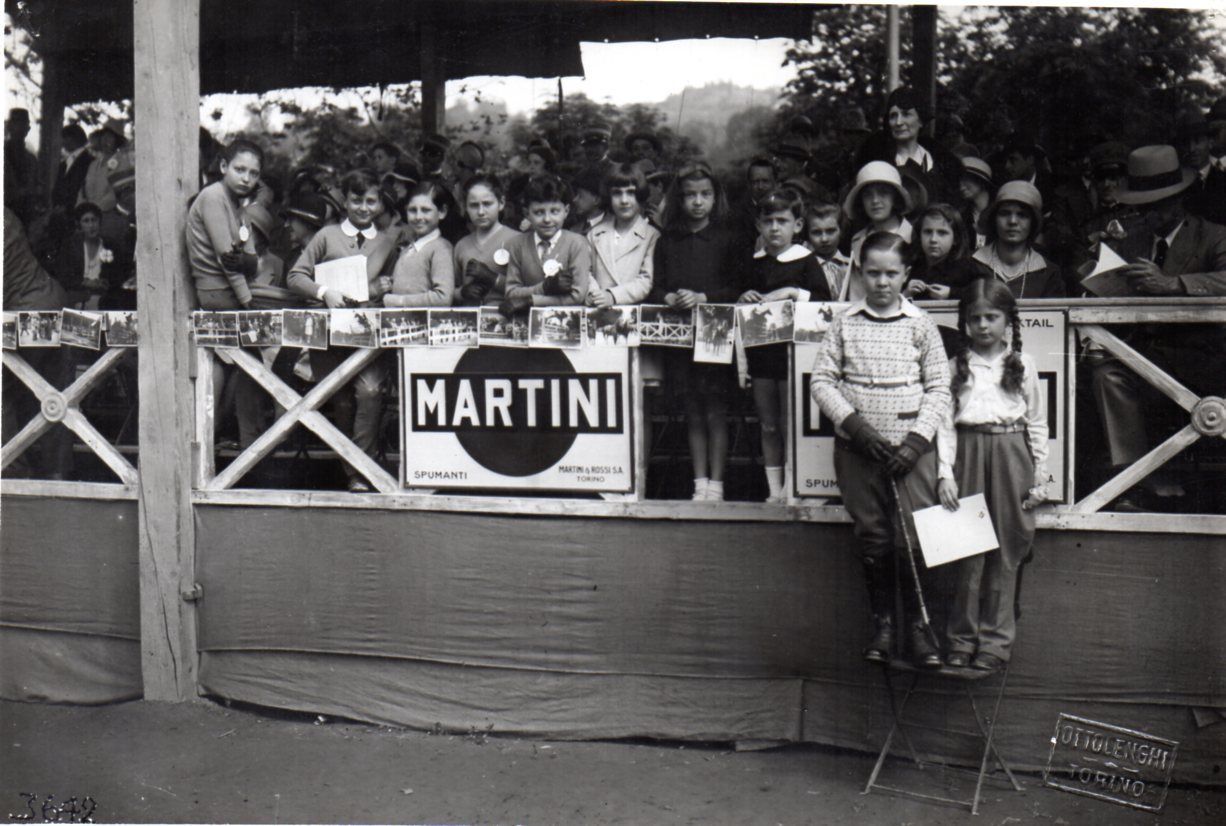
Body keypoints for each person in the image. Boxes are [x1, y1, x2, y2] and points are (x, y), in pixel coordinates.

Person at [811, 231, 951, 668]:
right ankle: (885, 625)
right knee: (874, 537)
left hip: (909, 454)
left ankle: (920, 630)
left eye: (892, 273)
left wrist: (915, 442)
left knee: (913, 535)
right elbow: (821, 382)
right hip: (859, 453)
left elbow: (939, 386)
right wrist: (855, 426)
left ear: (907, 274)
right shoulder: (845, 323)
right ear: (860, 274)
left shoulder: (921, 324)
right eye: (873, 273)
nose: (882, 282)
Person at [1089, 144, 1226, 511]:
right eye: (1144, 205)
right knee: (1105, 373)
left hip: (1202, 355)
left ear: (1180, 199)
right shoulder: (1131, 238)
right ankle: (1133, 480)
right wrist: (1095, 262)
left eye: (1160, 203)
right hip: (1142, 354)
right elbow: (1100, 283)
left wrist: (1173, 283)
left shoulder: (1212, 235)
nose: (1151, 213)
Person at [937, 277, 1047, 672]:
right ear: (965, 321)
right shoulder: (956, 366)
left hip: (1010, 452)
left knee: (1004, 546)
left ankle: (995, 642)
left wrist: (1039, 477)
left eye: (992, 317)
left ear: (1007, 320)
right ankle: (961, 638)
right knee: (966, 547)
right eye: (975, 318)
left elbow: (1036, 422)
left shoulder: (1023, 364)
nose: (983, 325)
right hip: (968, 451)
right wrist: (945, 473)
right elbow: (945, 424)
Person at [287, 168, 400, 492]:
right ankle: (351, 470)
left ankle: (359, 472)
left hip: (368, 337)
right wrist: (325, 293)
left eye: (370, 201)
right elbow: (295, 276)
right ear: (345, 201)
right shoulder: (327, 235)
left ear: (379, 204)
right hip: (332, 335)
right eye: (356, 200)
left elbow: (392, 287)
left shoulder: (388, 243)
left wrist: (380, 288)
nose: (363, 208)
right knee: (340, 399)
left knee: (369, 392)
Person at [650, 161, 746, 501]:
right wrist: (668, 296)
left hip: (716, 333)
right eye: (690, 195)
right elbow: (655, 286)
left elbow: (739, 287)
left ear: (715, 197)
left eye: (705, 194)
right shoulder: (668, 241)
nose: (697, 202)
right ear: (680, 199)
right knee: (692, 409)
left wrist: (704, 297)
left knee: (715, 409)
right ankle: (699, 482)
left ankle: (717, 484)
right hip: (681, 338)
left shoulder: (727, 239)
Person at [739, 187, 831, 504]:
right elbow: (739, 305)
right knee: (768, 424)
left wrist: (793, 292)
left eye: (782, 220)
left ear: (797, 225)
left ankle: (795, 483)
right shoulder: (753, 263)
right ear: (759, 226)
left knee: (792, 421)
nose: (775, 228)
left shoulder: (806, 262)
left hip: (796, 357)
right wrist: (743, 298)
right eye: (768, 221)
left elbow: (825, 303)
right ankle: (773, 489)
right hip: (762, 356)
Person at [3, 207, 73, 479]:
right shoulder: (8, 216)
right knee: (57, 394)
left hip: (25, 312)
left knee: (5, 390)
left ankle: (11, 469)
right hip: (51, 301)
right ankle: (58, 471)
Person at [501, 174, 593, 316]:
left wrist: (532, 301)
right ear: (527, 213)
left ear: (566, 211)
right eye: (539, 212)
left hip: (565, 324)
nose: (547, 219)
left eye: (554, 211)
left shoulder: (577, 243)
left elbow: (577, 295)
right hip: (527, 323)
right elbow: (511, 292)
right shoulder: (517, 244)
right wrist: (544, 287)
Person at [855, 86, 962, 206]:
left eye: (906, 114)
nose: (898, 122)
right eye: (893, 116)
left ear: (921, 120)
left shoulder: (941, 161)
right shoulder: (876, 159)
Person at [969, 181, 1065, 298]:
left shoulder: (1049, 273)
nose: (1013, 221)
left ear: (1033, 223)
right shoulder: (970, 265)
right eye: (1004, 213)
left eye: (1022, 215)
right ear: (994, 219)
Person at [586, 163, 659, 308]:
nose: (624, 200)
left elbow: (645, 281)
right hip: (598, 308)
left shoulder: (652, 235)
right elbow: (585, 271)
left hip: (633, 313)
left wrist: (613, 295)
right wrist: (593, 294)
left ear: (640, 196)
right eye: (617, 193)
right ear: (609, 196)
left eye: (631, 193)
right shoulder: (595, 233)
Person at [842, 161, 914, 301]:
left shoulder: (912, 236)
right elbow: (856, 294)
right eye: (868, 195)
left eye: (883, 193)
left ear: (895, 197)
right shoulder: (858, 240)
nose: (875, 200)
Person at [383, 181, 455, 309]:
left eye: (425, 210)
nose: (418, 216)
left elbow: (443, 298)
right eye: (412, 210)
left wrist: (398, 301)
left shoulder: (440, 248)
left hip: (424, 325)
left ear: (442, 212)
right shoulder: (407, 248)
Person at [453, 175, 518, 307]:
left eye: (487, 204)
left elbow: (528, 290)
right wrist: (462, 292)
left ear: (501, 203)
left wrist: (492, 278)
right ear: (465, 207)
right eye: (474, 205)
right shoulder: (462, 245)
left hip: (504, 321)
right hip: (469, 322)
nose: (481, 212)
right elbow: (450, 290)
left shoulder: (517, 241)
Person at [53, 202, 124, 309]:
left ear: (99, 222)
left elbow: (118, 276)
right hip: (76, 301)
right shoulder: (71, 246)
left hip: (104, 302)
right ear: (80, 225)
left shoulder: (110, 246)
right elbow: (63, 277)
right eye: (86, 221)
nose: (91, 225)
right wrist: (86, 283)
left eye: (94, 220)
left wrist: (104, 283)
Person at [77, 119, 131, 250]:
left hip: (109, 218)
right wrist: (81, 208)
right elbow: (83, 190)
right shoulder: (93, 164)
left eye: (111, 137)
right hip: (89, 218)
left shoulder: (121, 162)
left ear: (117, 141)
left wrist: (95, 209)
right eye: (104, 136)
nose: (106, 141)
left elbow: (117, 193)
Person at [908, 204, 978, 301]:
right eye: (928, 232)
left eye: (942, 233)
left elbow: (982, 294)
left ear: (956, 239)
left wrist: (951, 293)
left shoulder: (967, 269)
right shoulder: (911, 267)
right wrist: (906, 294)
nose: (933, 239)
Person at [805, 202, 850, 300]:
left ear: (841, 230)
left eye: (830, 231)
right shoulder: (803, 269)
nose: (824, 239)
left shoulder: (852, 266)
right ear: (807, 234)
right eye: (816, 233)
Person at [957, 156, 994, 252]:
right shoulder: (963, 214)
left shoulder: (999, 211)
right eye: (959, 181)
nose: (961, 187)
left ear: (981, 181)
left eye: (966, 180)